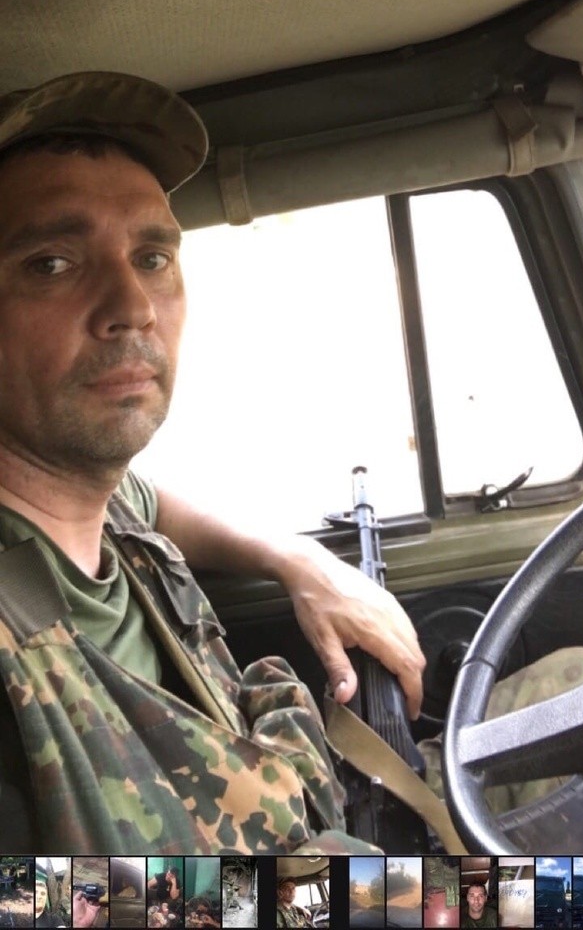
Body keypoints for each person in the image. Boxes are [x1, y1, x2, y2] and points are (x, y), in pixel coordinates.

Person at [0, 70, 424, 856]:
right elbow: (51, 905)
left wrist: (302, 563)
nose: (133, 306)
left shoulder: (91, 497)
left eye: (151, 256)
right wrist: (362, 897)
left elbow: (155, 503)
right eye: (52, 263)